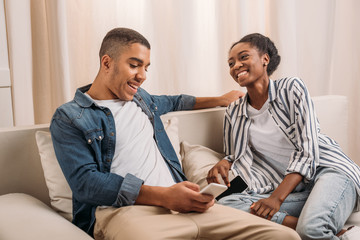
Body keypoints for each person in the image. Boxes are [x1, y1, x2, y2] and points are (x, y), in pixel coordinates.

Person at [50, 28, 300, 240]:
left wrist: (219, 99)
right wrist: (164, 196)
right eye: (134, 65)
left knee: (284, 236)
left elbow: (175, 101)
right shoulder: (70, 117)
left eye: (146, 67)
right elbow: (85, 184)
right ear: (107, 63)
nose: (142, 76)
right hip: (125, 211)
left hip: (186, 205)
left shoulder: (141, 99)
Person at [207, 32, 360, 240]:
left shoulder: (291, 88)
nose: (235, 66)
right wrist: (224, 162)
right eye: (231, 63)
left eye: (243, 57)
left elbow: (308, 150)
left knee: (311, 231)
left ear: (265, 59)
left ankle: (314, 226)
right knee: (225, 204)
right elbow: (237, 155)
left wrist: (276, 200)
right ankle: (326, 228)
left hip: (329, 172)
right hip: (297, 191)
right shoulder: (234, 111)